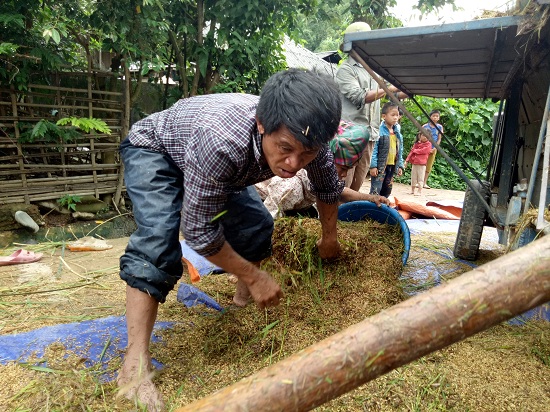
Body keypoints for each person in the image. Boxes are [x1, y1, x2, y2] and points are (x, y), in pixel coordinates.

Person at [116, 68, 345, 411]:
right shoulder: (222, 141)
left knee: (257, 228)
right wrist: (256, 276)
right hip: (158, 151)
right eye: (285, 149)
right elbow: (198, 232)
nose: (294, 164)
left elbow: (327, 188)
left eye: (306, 154)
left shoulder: (313, 142)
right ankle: (134, 366)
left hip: (221, 170)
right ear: (261, 125)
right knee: (159, 240)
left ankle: (241, 304)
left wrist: (329, 239)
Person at [255, 120, 390, 218]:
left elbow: (340, 191)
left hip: (293, 206)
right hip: (261, 202)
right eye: (343, 168)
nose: (344, 174)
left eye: (348, 169)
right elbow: (269, 214)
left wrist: (370, 198)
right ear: (327, 162)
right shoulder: (291, 185)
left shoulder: (320, 177)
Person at [335, 22, 406, 193]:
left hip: (371, 136)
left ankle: (349, 216)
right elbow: (360, 96)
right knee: (343, 182)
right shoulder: (346, 70)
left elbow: (390, 94)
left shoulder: (373, 71)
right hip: (350, 136)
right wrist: (392, 88)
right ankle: (335, 215)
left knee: (358, 182)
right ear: (355, 45)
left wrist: (409, 88)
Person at [369, 102, 404, 197]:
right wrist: (373, 166)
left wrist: (400, 165)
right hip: (380, 167)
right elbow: (374, 149)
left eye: (397, 115)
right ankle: (372, 209)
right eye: (393, 115)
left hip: (391, 166)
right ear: (384, 116)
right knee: (376, 190)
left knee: (387, 189)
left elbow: (400, 151)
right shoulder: (379, 131)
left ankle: (382, 208)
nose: (395, 117)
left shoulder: (398, 133)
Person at [403, 129, 433, 195]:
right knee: (413, 177)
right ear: (420, 135)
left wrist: (415, 150)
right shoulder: (417, 143)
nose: (424, 137)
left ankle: (419, 191)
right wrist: (407, 160)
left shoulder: (429, 144)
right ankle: (412, 190)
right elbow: (411, 152)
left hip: (422, 164)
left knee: (421, 178)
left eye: (426, 136)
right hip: (415, 163)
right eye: (423, 135)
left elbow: (424, 151)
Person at [422, 109, 444, 189]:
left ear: (439, 118)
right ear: (430, 116)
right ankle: (419, 182)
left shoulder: (439, 127)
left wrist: (435, 148)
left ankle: (424, 182)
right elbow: (420, 137)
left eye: (437, 116)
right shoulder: (425, 126)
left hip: (433, 149)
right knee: (421, 164)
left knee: (428, 165)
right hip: (423, 148)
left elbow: (439, 139)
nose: (435, 118)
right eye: (433, 116)